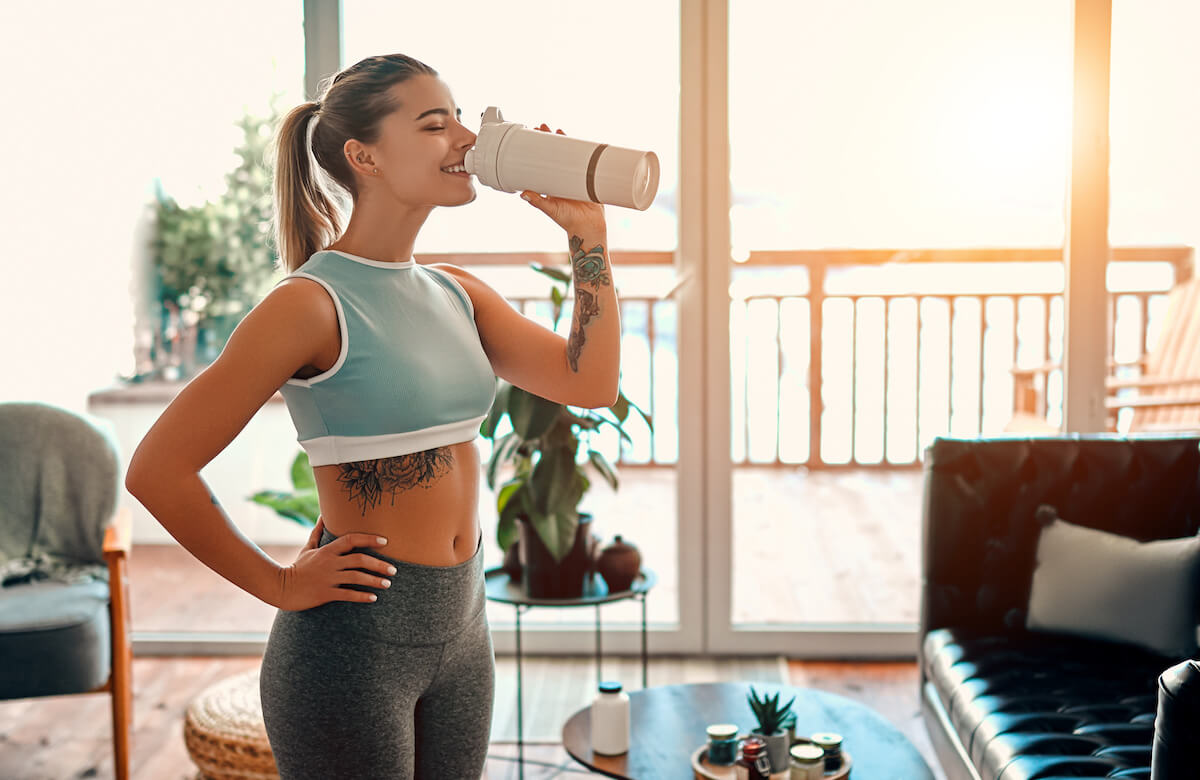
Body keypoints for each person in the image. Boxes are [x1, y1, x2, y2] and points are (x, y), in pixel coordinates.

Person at [124, 52, 621, 779]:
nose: (464, 138)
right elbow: (156, 470)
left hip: (462, 625)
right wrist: (281, 586)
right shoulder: (308, 305)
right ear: (365, 156)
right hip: (354, 643)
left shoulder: (457, 292)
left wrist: (589, 240)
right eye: (434, 123)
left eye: (458, 116)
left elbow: (591, 382)